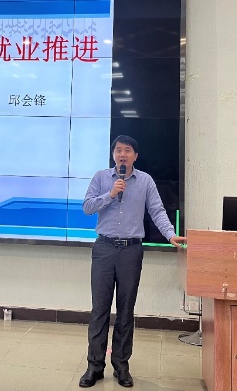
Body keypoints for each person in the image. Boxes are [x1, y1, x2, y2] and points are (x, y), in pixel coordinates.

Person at [78, 135, 186, 388]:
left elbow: (157, 211)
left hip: (131, 251)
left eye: (127, 150)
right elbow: (87, 207)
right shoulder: (101, 178)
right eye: (118, 150)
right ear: (113, 154)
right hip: (104, 249)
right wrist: (110, 194)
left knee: (126, 311)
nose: (122, 154)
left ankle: (121, 366)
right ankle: (94, 366)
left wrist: (170, 235)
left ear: (135, 156)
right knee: (100, 310)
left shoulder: (145, 181)